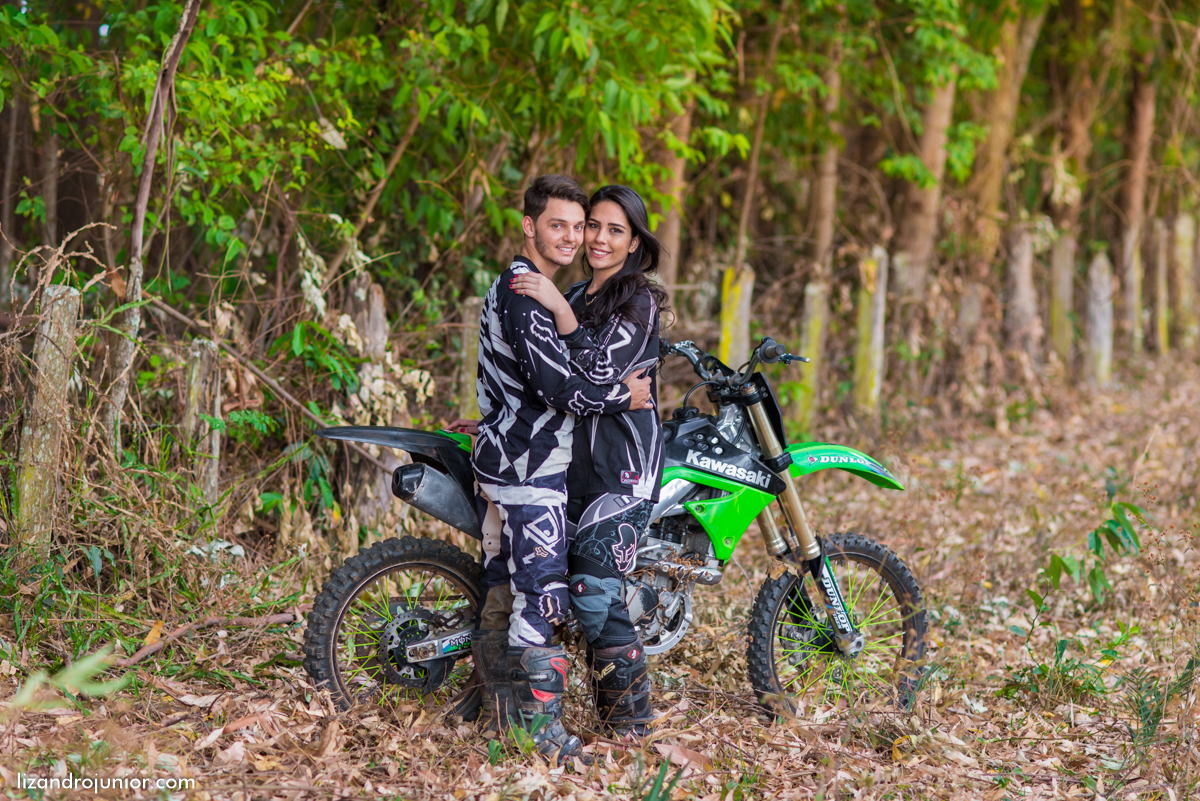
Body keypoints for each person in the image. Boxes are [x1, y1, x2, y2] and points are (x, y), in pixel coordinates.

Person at [448, 175, 654, 766]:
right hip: (531, 463)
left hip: (517, 456)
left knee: (504, 584)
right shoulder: (525, 295)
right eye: (562, 225)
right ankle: (535, 733)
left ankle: (499, 712)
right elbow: (561, 385)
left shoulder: (543, 293)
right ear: (529, 227)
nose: (575, 237)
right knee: (541, 596)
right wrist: (624, 396)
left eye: (580, 224)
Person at [509, 184, 667, 739]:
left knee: (593, 592)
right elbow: (553, 381)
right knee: (559, 584)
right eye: (592, 225)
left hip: (623, 464)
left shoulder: (638, 300)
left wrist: (558, 309)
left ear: (633, 243)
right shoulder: (576, 292)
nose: (597, 238)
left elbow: (599, 373)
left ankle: (631, 725)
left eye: (613, 230)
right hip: (570, 459)